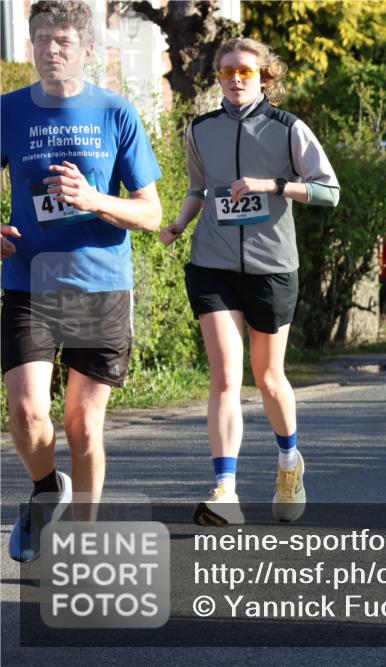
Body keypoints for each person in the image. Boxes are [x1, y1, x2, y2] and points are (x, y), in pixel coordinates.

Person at [2, 0, 163, 561]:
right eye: (41, 38)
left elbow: (152, 213)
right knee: (25, 412)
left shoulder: (115, 113)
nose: (51, 49)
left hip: (99, 283)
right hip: (29, 280)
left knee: (83, 425)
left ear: (89, 50)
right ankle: (49, 489)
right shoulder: (9, 111)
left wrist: (94, 199)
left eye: (64, 40)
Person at [159, 37, 339, 526]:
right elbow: (200, 189)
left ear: (264, 76)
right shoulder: (200, 129)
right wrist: (180, 222)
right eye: (227, 72)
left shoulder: (288, 129)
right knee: (223, 377)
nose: (236, 79)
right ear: (216, 77)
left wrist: (273, 185)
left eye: (246, 71)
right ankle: (225, 489)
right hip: (211, 264)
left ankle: (288, 462)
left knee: (268, 378)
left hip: (271, 268)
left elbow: (329, 192)